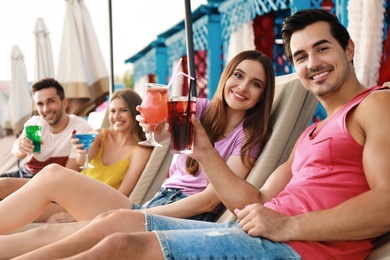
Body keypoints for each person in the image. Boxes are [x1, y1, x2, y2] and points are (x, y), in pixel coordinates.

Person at [0, 50, 276, 258]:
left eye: (255, 84)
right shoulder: (200, 108)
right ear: (227, 75)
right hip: (157, 201)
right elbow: (164, 135)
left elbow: (206, 203)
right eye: (238, 76)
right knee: (53, 175)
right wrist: (154, 129)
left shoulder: (249, 138)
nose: (242, 87)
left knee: (50, 233)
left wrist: (142, 214)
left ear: (262, 95)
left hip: (179, 217)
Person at [45, 88, 154, 223]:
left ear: (135, 112)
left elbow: (123, 195)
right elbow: (82, 161)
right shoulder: (100, 135)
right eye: (112, 111)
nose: (116, 116)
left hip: (92, 209)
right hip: (69, 197)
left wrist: (77, 217)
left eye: (123, 110)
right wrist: (81, 151)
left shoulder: (140, 152)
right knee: (24, 183)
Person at [0, 78, 92, 198]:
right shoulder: (36, 124)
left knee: (3, 186)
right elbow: (19, 153)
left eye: (51, 101)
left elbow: (68, 175)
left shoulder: (80, 128)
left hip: (52, 183)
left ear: (64, 103)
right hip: (25, 174)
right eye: (40, 104)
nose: (45, 109)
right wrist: (19, 145)